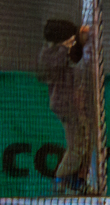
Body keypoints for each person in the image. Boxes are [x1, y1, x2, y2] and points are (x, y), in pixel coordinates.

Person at [35, 16, 101, 194]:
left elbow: (77, 55)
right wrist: (66, 46)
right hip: (65, 106)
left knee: (87, 143)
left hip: (76, 106)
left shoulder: (65, 51)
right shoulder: (50, 54)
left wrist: (81, 37)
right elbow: (49, 70)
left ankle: (77, 180)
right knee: (77, 146)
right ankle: (60, 179)